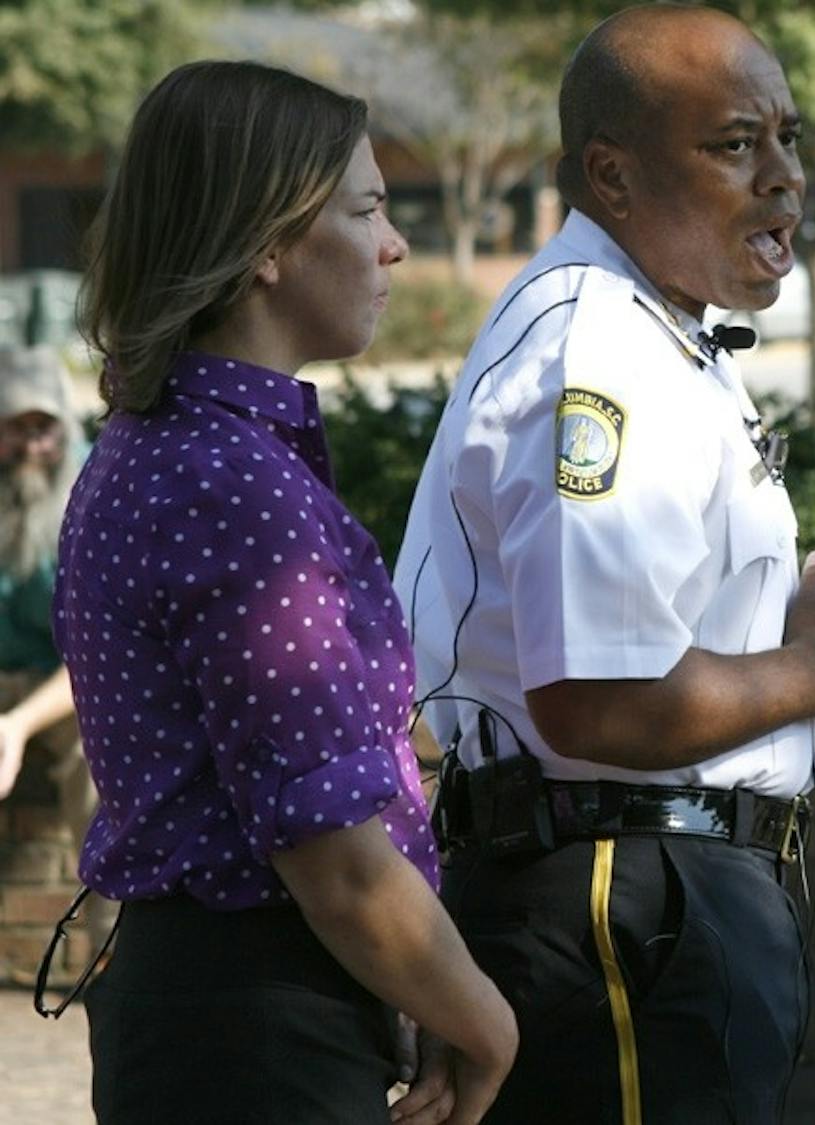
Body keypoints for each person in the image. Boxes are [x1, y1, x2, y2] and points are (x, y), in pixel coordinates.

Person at [393, 6, 815, 1123]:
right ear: (612, 175)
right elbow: (600, 702)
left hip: (653, 895)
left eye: (787, 137)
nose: (784, 177)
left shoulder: (656, 331)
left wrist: (813, 640)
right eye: (734, 145)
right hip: (622, 900)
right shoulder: (605, 353)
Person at [56, 59, 516, 1124]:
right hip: (254, 1025)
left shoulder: (160, 446)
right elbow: (335, 857)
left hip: (215, 1007)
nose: (394, 245)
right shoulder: (229, 483)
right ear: (266, 244)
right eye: (366, 210)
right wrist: (486, 1026)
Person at [0, 345, 117, 962]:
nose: (31, 447)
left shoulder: (93, 492)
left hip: (63, 685)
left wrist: (16, 727)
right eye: (14, 428)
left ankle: (113, 952)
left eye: (43, 428)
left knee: (99, 761)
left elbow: (100, 653)